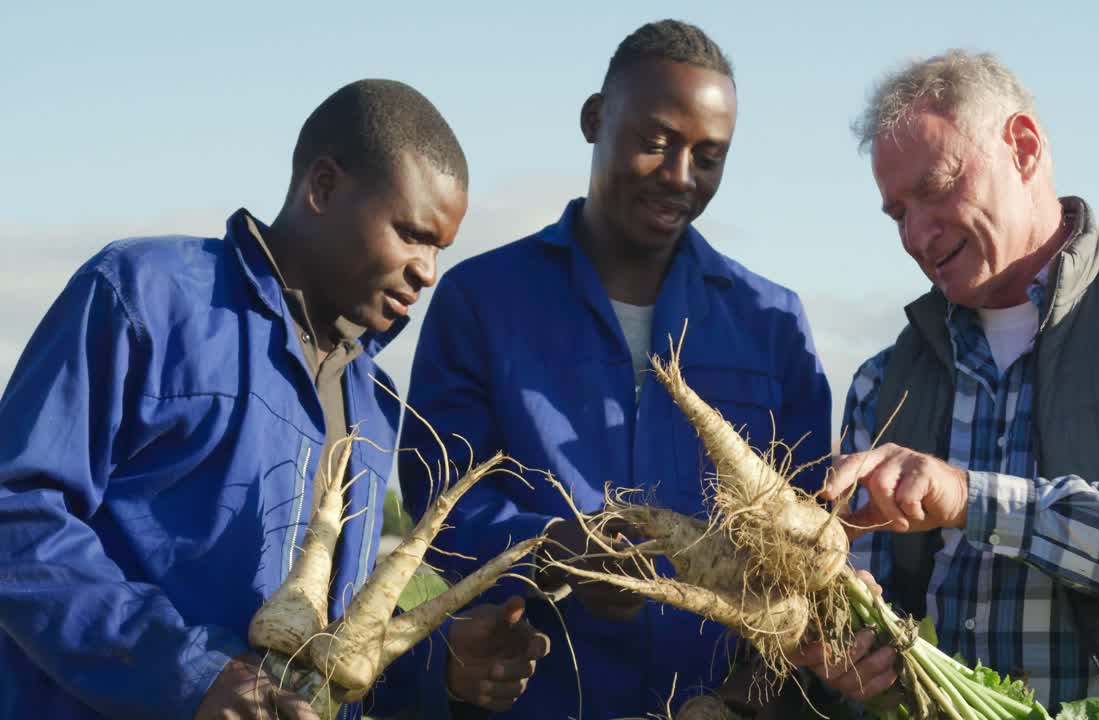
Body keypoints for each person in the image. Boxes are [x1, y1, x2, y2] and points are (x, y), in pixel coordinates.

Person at [0, 79, 547, 720]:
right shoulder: (145, 297)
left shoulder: (373, 401)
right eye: (410, 233)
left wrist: (442, 664)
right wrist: (187, 675)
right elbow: (18, 514)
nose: (428, 269)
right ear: (322, 188)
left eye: (439, 248)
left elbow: (325, 644)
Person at [799, 50, 1099, 717]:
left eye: (935, 188)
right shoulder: (884, 381)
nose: (914, 233)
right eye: (896, 213)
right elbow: (860, 593)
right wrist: (844, 658)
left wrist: (972, 499)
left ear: (1023, 148)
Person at [400, 19, 832, 719]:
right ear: (595, 119)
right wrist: (550, 549)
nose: (680, 177)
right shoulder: (481, 300)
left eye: (710, 157)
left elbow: (811, 536)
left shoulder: (770, 321)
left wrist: (759, 685)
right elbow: (438, 505)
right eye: (655, 143)